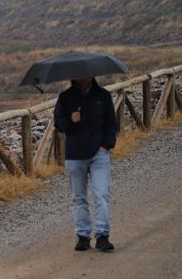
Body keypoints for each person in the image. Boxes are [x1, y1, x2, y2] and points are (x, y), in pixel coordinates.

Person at [54, 77, 117, 252]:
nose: (83, 76)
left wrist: (106, 146)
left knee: (101, 194)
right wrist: (71, 120)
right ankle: (83, 236)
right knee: (79, 197)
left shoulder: (103, 95)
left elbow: (111, 123)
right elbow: (59, 124)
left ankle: (102, 236)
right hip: (75, 155)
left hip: (99, 154)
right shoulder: (65, 97)